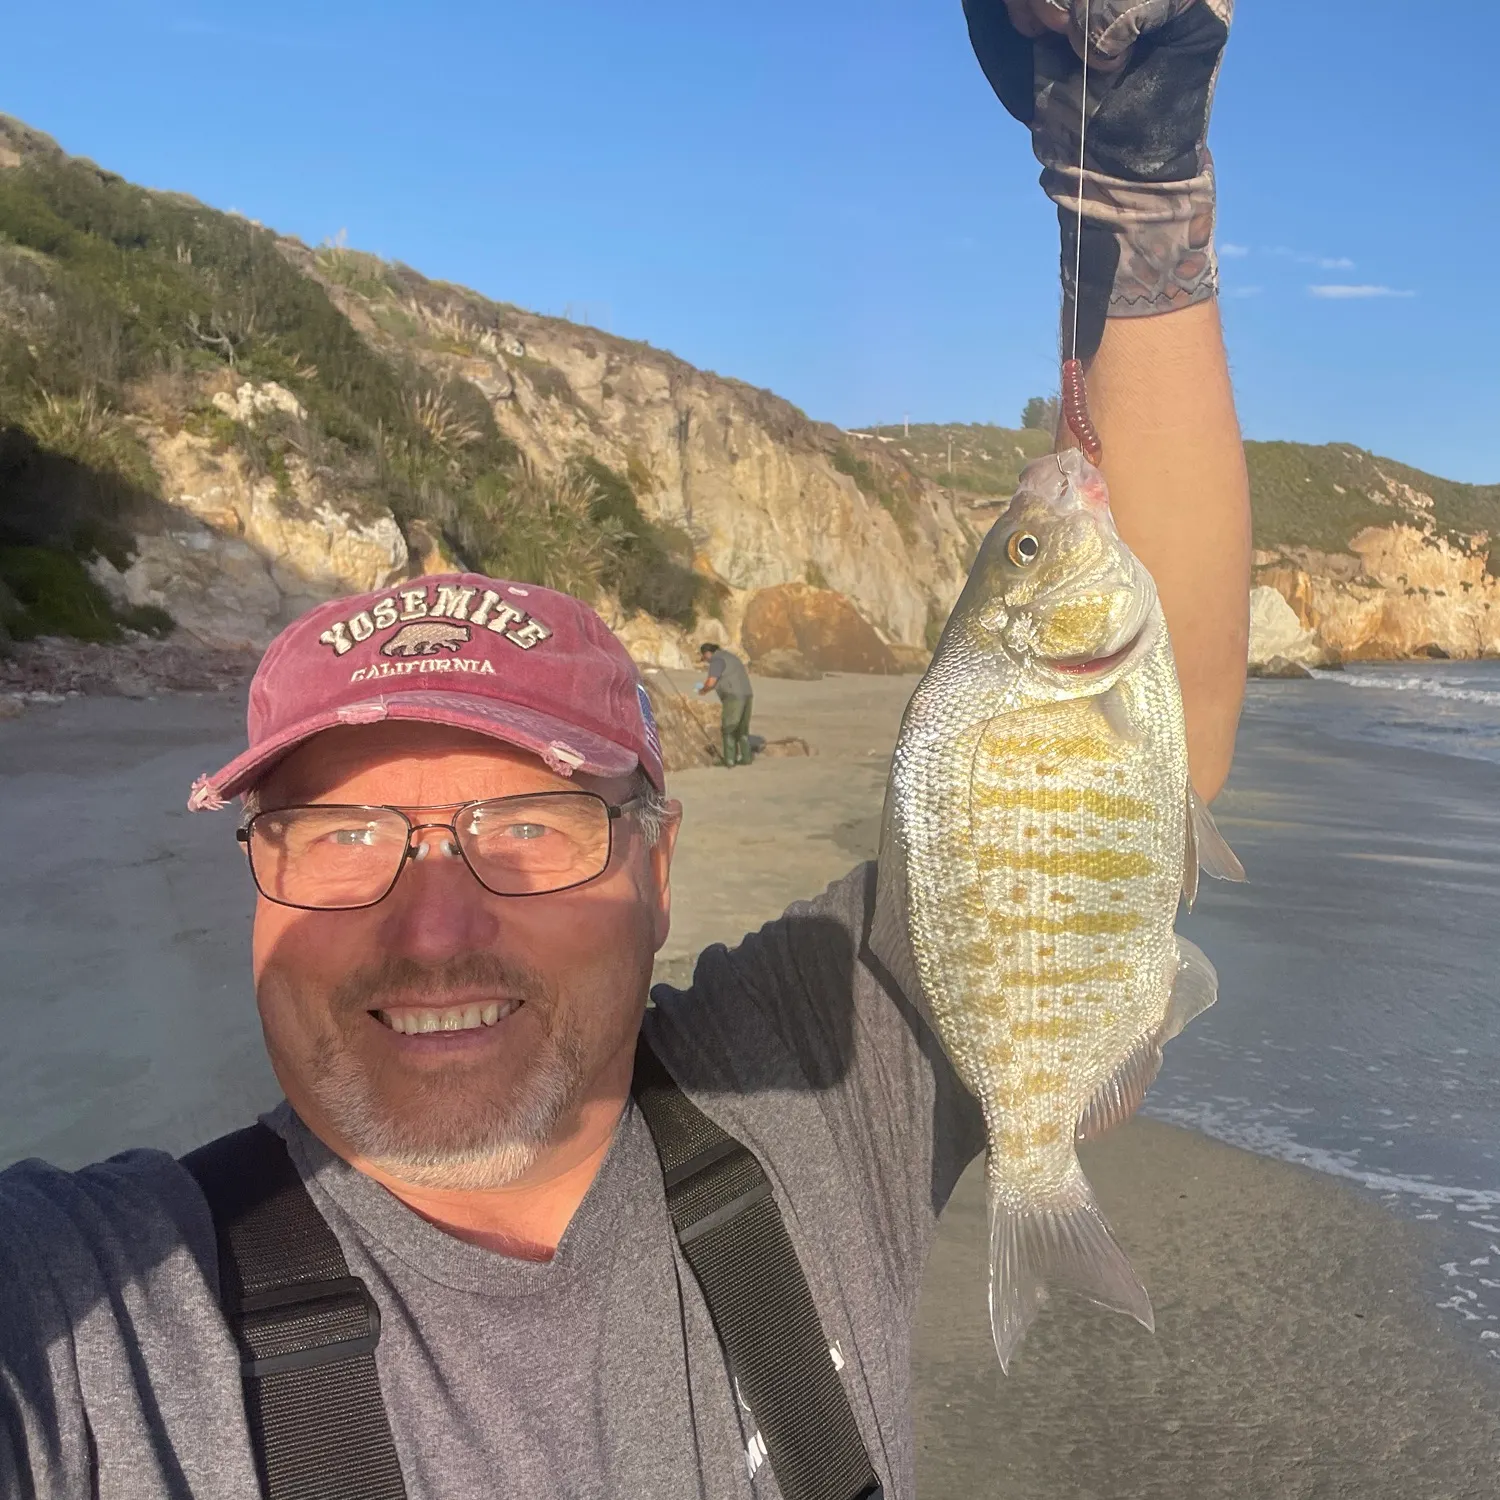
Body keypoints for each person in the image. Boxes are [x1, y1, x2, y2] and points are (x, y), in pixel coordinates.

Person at [0, 4, 1248, 1496]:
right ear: (253, 875)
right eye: (342, 832)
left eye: (528, 819)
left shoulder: (804, 1090)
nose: (436, 924)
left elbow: (1140, 777)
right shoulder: (98, 1329)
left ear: (659, 864)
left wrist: (1145, 187)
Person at [697, 640, 754, 768]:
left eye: (705, 658)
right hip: (747, 694)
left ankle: (729, 760)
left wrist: (703, 690)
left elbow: (711, 682)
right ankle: (746, 758)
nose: (706, 661)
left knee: (729, 728)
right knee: (742, 730)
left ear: (707, 653)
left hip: (733, 697)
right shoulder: (731, 657)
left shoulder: (717, 660)